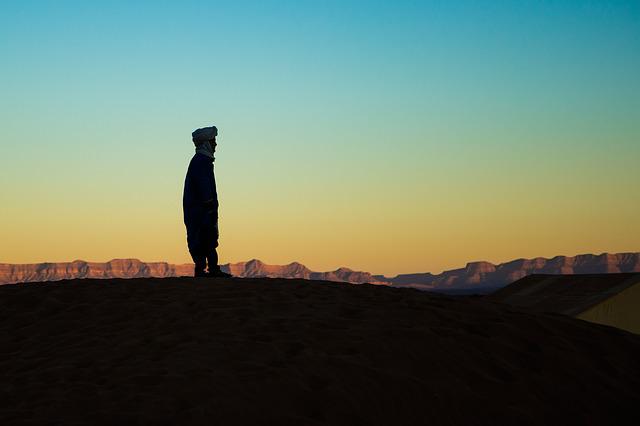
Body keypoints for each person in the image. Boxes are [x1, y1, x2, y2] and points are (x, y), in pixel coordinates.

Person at [183, 125, 232, 278]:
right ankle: (209, 269)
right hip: (201, 209)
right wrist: (210, 205)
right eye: (213, 141)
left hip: (200, 209)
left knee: (204, 237)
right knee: (206, 237)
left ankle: (205, 269)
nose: (215, 144)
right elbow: (204, 185)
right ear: (206, 143)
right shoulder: (201, 161)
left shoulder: (201, 161)